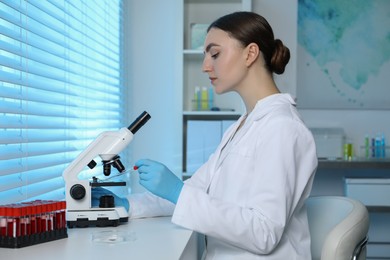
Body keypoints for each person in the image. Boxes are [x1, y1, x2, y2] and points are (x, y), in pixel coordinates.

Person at [94, 11, 318, 259]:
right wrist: (128, 205)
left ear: (250, 54)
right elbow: (197, 190)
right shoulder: (243, 125)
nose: (205, 66)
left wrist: (178, 192)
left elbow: (263, 232)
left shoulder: (283, 128)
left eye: (215, 54)